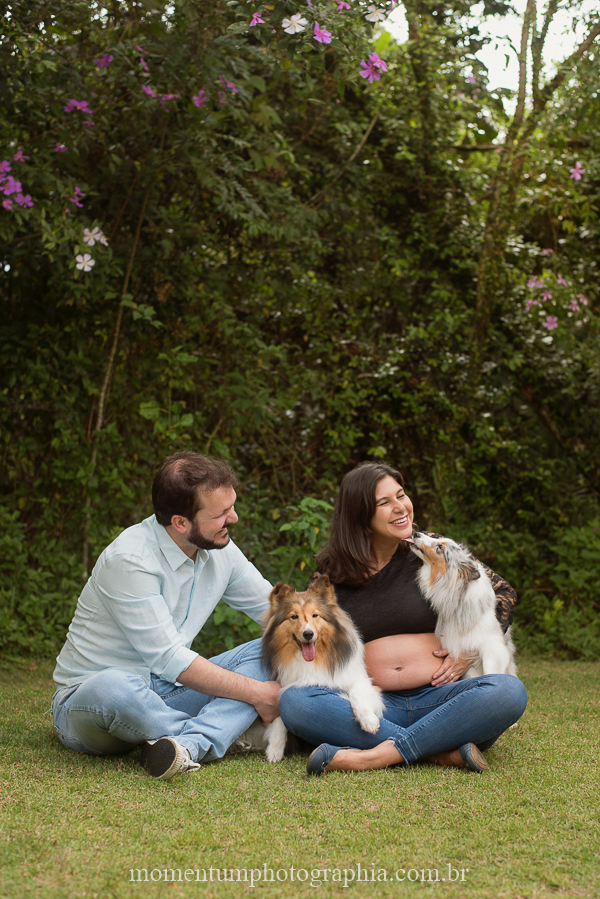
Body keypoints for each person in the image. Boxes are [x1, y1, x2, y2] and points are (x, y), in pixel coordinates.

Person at [278, 462, 527, 775]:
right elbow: (308, 628)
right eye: (385, 503)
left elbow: (503, 593)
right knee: (295, 702)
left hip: (443, 699)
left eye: (401, 495)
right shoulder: (331, 571)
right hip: (371, 704)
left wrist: (469, 653)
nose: (401, 508)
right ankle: (438, 751)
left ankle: (372, 756)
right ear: (360, 514)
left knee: (508, 692)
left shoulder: (430, 550)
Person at [52, 451, 280, 780]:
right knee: (115, 688)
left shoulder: (221, 549)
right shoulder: (129, 559)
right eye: (222, 513)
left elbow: (278, 613)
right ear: (180, 522)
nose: (235, 519)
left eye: (232, 507)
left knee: (271, 647)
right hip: (90, 705)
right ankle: (226, 736)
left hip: (169, 692)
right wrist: (258, 694)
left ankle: (182, 743)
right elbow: (171, 659)